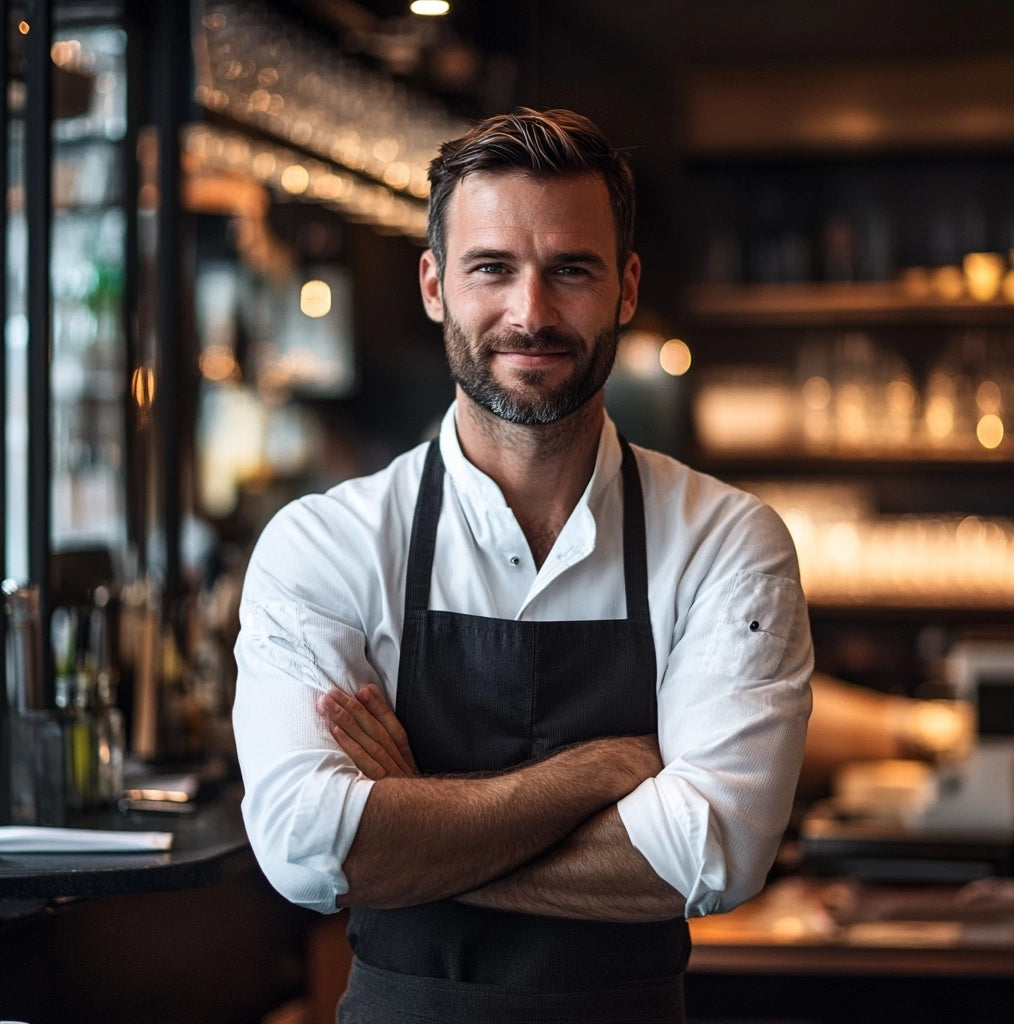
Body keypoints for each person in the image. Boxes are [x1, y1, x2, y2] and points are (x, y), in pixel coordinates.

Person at [233, 107, 814, 1024]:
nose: (530, 313)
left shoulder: (725, 542)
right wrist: (600, 775)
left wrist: (411, 823)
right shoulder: (328, 545)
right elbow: (313, 852)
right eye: (492, 268)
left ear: (625, 287)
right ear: (434, 284)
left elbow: (713, 852)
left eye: (570, 270)